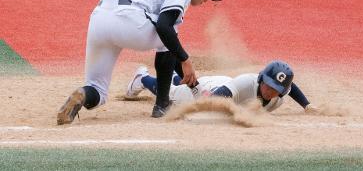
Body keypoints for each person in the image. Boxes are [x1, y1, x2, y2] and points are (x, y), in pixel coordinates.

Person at [57, 0, 222, 124]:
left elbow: (169, 45)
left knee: (98, 91)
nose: (207, 0)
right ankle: (162, 105)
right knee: (169, 33)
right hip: (127, 17)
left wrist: (195, 86)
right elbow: (164, 28)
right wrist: (185, 60)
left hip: (99, 18)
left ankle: (83, 94)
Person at [126, 60, 319, 113]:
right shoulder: (247, 82)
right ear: (262, 79)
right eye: (268, 85)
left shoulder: (280, 95)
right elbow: (217, 97)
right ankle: (142, 78)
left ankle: (178, 76)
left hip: (225, 83)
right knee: (172, 95)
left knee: (182, 85)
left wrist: (307, 105)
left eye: (276, 88)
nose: (270, 90)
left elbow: (291, 87)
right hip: (216, 89)